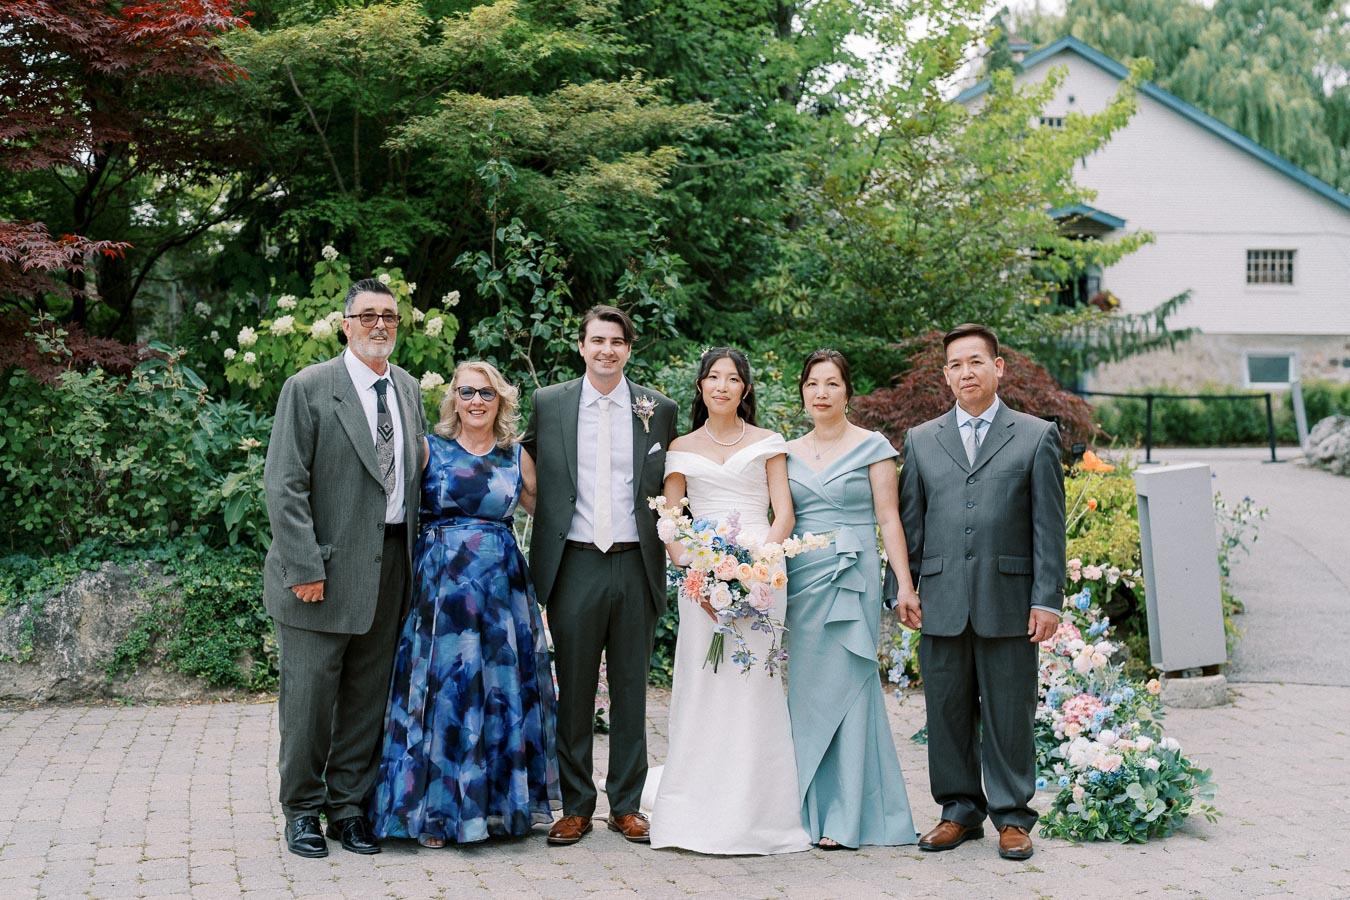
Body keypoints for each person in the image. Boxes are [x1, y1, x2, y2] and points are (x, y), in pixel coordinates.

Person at [263, 278, 427, 858]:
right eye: (368, 316)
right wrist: (304, 565)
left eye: (390, 316)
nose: (380, 324)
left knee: (366, 698)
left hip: (389, 568)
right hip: (321, 575)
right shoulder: (308, 388)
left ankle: (349, 808)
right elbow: (284, 486)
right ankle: (303, 810)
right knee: (308, 701)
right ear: (346, 324)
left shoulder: (407, 388)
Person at [889, 323, 1065, 861]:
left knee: (1010, 711)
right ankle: (959, 812)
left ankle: (1013, 816)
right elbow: (910, 522)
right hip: (940, 599)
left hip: (1009, 601)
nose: (966, 373)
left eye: (975, 362)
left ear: (998, 367)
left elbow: (1048, 527)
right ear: (945, 376)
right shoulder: (921, 439)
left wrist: (1046, 599)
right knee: (945, 710)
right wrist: (904, 587)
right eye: (955, 366)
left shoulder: (1036, 435)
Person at [368, 360, 561, 846]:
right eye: (466, 392)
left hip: (500, 597)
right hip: (440, 595)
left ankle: (496, 811)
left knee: (499, 692)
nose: (476, 401)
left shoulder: (518, 457)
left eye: (486, 394)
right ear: (453, 398)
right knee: (442, 694)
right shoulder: (429, 450)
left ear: (501, 402)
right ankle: (434, 814)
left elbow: (556, 515)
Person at [522, 306, 678, 846]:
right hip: (576, 561)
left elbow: (674, 483)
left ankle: (628, 804)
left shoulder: (658, 409)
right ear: (581, 346)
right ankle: (576, 805)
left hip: (637, 561)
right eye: (597, 340)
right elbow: (525, 459)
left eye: (617, 341)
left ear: (629, 349)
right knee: (575, 690)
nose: (606, 350)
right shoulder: (550, 403)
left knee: (633, 688)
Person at [648, 347, 812, 856]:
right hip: (701, 576)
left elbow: (782, 512)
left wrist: (758, 567)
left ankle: (757, 808)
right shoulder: (680, 446)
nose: (722, 385)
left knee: (754, 687)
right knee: (703, 684)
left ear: (746, 389)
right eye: (713, 377)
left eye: (733, 378)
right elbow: (671, 522)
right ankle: (699, 803)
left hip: (763, 571)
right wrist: (696, 574)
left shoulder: (768, 443)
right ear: (700, 386)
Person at [783, 349, 919, 851]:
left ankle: (847, 816)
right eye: (813, 383)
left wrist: (903, 585)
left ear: (848, 392)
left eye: (833, 384)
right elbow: (779, 520)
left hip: (852, 578)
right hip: (801, 579)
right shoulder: (785, 452)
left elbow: (889, 520)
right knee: (806, 695)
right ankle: (803, 810)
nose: (822, 393)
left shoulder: (873, 447)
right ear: (802, 391)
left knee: (853, 687)